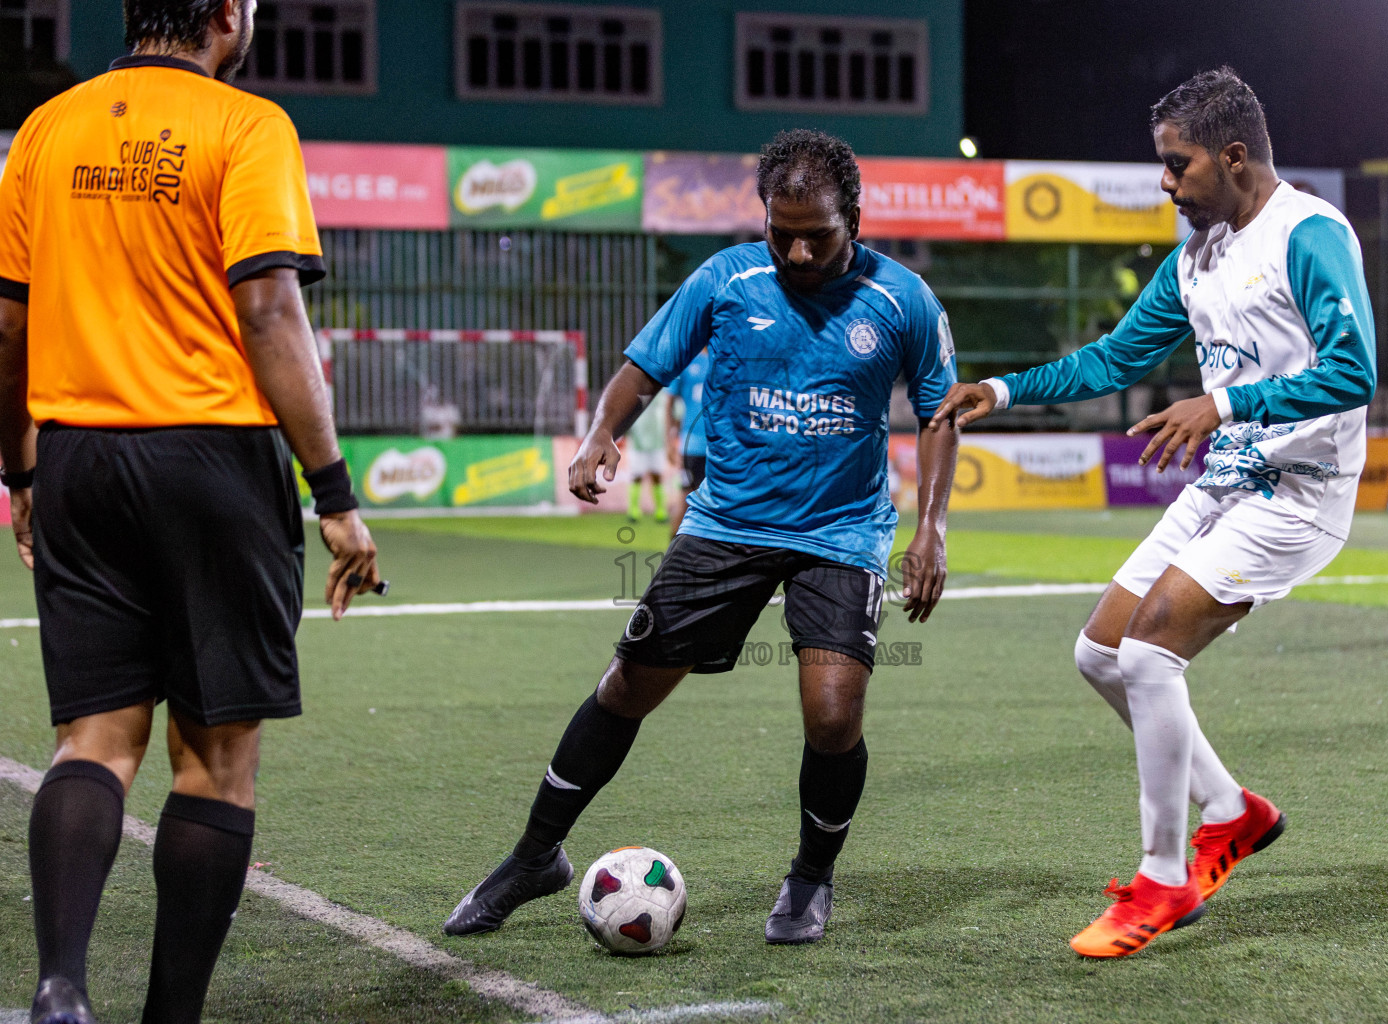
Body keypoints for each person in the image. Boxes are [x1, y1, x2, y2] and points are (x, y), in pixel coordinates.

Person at [444, 129, 959, 945]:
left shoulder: (903, 300)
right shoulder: (726, 279)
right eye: (778, 230)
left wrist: (930, 527)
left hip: (843, 530)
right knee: (626, 689)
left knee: (833, 716)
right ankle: (533, 858)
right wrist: (601, 434)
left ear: (853, 218)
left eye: (815, 235)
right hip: (727, 524)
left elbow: (939, 413)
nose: (794, 250)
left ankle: (810, 877)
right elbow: (646, 365)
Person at [933, 67, 1375, 958]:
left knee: (1148, 651)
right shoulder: (1197, 258)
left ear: (1235, 156)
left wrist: (1225, 406)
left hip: (1300, 493)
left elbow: (1354, 369)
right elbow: (1110, 359)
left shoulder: (1311, 235)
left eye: (1179, 166)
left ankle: (1165, 880)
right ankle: (1232, 812)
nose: (1165, 184)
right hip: (1227, 484)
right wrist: (1002, 388)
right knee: (1099, 652)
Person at [0, 2, 382, 1021]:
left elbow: (8, 323)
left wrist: (21, 471)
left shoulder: (47, 129)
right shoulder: (246, 126)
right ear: (226, 14)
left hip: (77, 455)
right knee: (215, 759)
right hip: (212, 456)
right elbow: (267, 307)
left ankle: (60, 988)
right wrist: (334, 493)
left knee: (95, 739)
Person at [663, 346, 710, 536]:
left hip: (718, 446)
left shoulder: (724, 358)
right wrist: (669, 440)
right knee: (687, 498)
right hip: (694, 446)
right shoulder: (689, 361)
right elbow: (669, 402)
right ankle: (672, 551)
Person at [624, 396, 669, 524]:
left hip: (658, 441)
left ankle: (661, 511)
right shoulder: (636, 391)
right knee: (637, 476)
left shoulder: (663, 391)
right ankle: (633, 511)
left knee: (657, 476)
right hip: (638, 442)